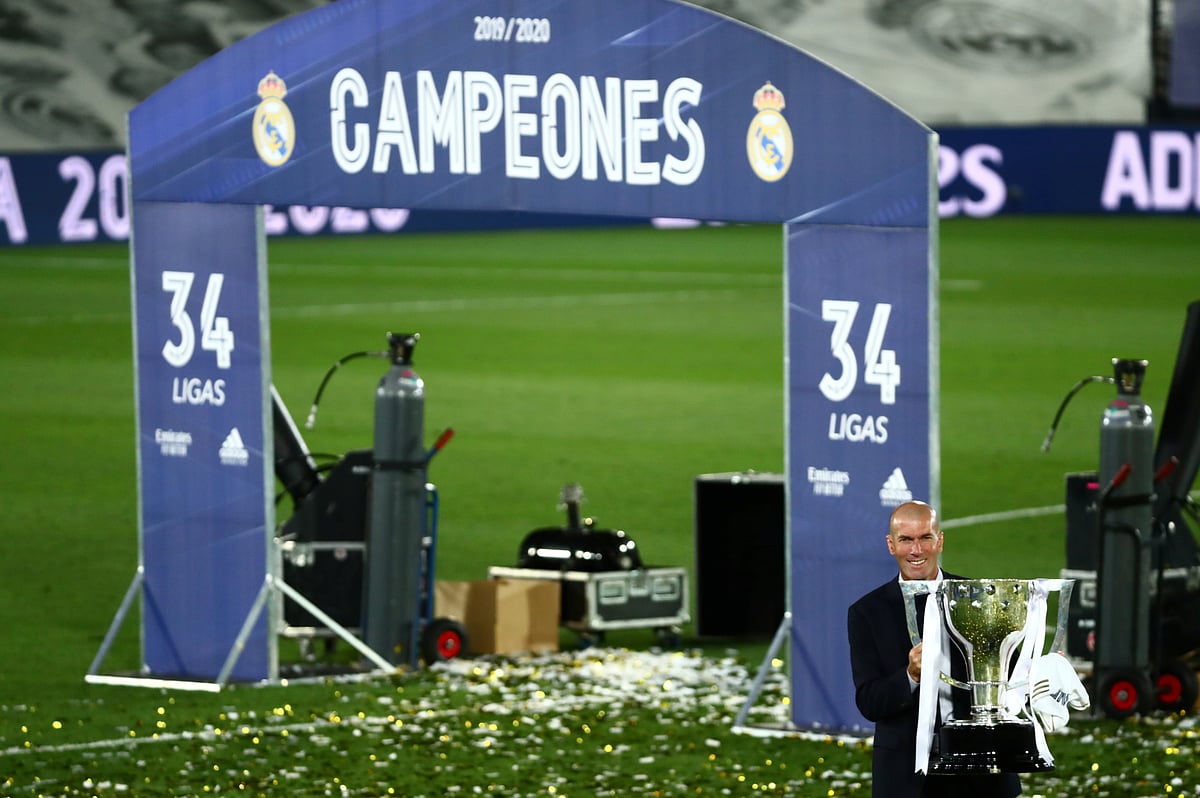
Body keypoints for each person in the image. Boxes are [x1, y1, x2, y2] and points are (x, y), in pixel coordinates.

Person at [846, 500, 1022, 798]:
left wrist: (1040, 670)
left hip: (982, 775)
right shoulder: (867, 612)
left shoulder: (978, 598)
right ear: (891, 545)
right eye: (906, 540)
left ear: (939, 540)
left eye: (925, 538)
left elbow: (1012, 674)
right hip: (907, 779)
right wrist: (910, 676)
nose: (916, 550)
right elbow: (870, 702)